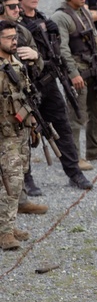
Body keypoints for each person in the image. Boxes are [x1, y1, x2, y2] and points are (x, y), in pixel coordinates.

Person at [14, 0, 92, 191]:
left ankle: (74, 172)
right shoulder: (15, 25)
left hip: (48, 83)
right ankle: (26, 180)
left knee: (63, 127)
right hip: (29, 87)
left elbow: (55, 52)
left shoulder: (43, 19)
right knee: (26, 135)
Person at [52, 0, 97, 172]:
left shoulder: (84, 12)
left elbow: (95, 40)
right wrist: (72, 73)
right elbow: (62, 49)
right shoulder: (61, 17)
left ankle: (94, 149)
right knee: (76, 117)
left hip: (94, 70)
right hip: (78, 73)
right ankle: (74, 157)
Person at [0, 0, 49, 215]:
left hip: (19, 106)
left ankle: (18, 204)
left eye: (18, 6)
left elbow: (36, 70)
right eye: (12, 6)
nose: (17, 10)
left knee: (18, 163)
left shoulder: (21, 32)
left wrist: (36, 57)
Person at [0, 20, 39, 249]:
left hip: (20, 130)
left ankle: (7, 223)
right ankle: (5, 234)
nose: (14, 41)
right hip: (4, 134)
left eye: (15, 37)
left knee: (18, 176)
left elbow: (26, 96)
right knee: (11, 182)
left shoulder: (16, 62)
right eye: (8, 38)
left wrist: (32, 123)